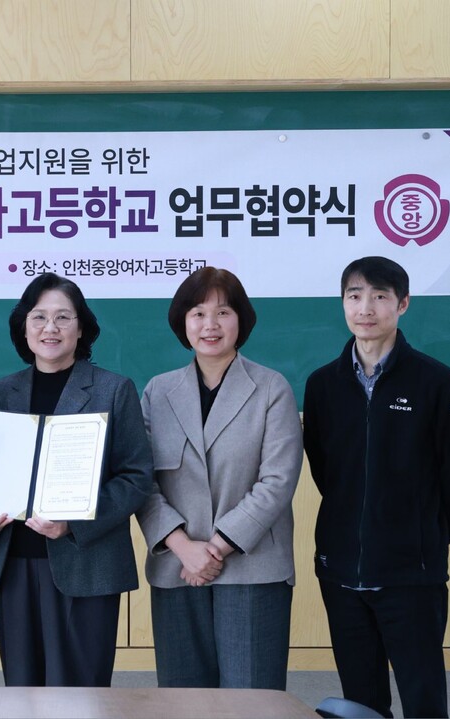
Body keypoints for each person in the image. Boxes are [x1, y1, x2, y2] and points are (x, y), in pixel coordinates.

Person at [303, 256, 450, 719]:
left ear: (402, 304)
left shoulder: (437, 381)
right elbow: (326, 470)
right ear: (343, 303)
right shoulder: (322, 385)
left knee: (423, 700)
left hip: (411, 574)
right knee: (361, 704)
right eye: (355, 296)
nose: (366, 308)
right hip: (341, 572)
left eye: (380, 296)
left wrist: (425, 535)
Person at [0, 272, 153, 687]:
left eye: (63, 317)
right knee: (22, 693)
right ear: (24, 327)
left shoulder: (113, 389)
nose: (50, 328)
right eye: (39, 317)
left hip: (86, 563)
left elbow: (136, 477)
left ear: (81, 328)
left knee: (80, 695)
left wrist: (73, 522)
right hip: (13, 565)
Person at [137, 267, 302, 690]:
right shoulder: (157, 392)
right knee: (183, 701)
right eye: (198, 313)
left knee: (252, 701)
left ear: (241, 321)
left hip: (252, 568)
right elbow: (141, 481)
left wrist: (213, 549)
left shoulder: (271, 388)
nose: (210, 325)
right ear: (183, 323)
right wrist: (183, 548)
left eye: (223, 312)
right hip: (177, 567)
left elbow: (278, 480)